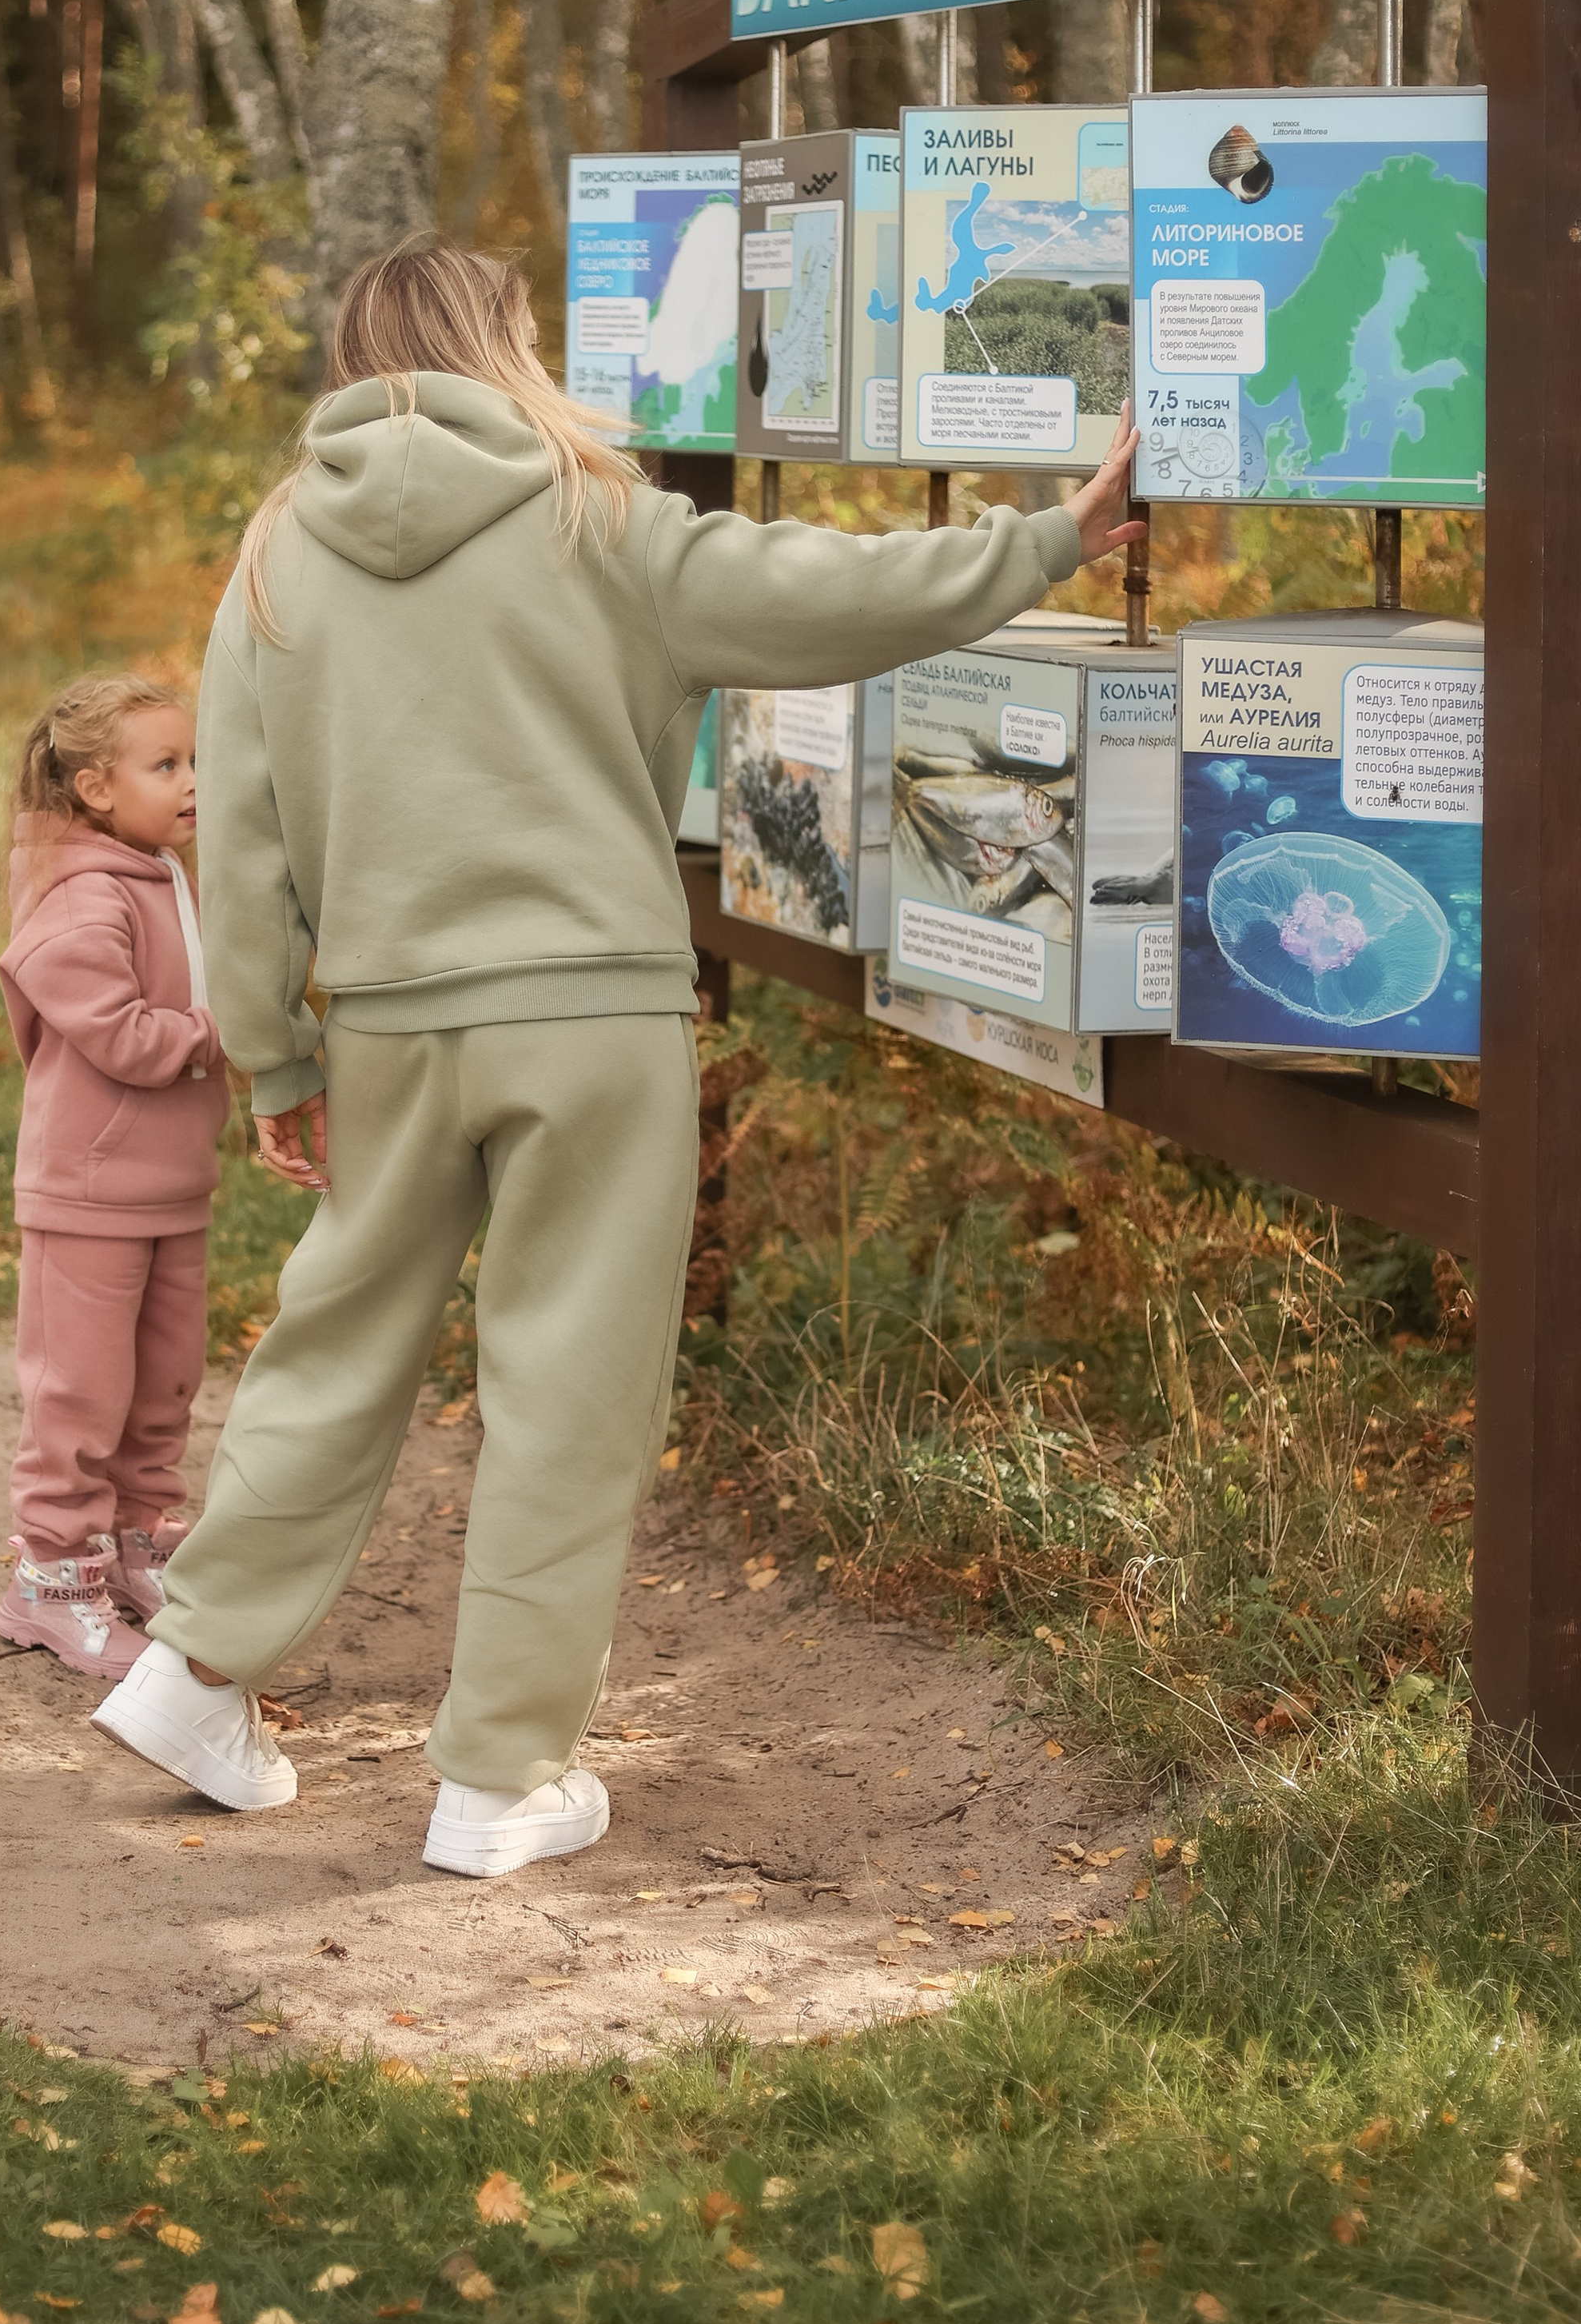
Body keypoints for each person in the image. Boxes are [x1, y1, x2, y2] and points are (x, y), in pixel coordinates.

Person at [93, 241, 1143, 1874]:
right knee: (566, 1383)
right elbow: (824, 593)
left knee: (334, 1342)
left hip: (381, 1021)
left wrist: (274, 1061)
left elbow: (237, 830)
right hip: (587, 1015)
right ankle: (494, 1780)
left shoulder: (274, 557)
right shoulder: (597, 517)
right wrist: (1053, 538)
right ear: (496, 350)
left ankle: (194, 1667)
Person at [0, 674, 226, 1682]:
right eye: (165, 764)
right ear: (93, 787)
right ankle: (49, 1580)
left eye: (194, 760)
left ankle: (138, 1544)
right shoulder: (80, 897)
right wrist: (227, 1037)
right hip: (87, 1192)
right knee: (79, 1396)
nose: (191, 782)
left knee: (163, 1385)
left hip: (172, 1185)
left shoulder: (163, 876)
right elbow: (123, 1036)